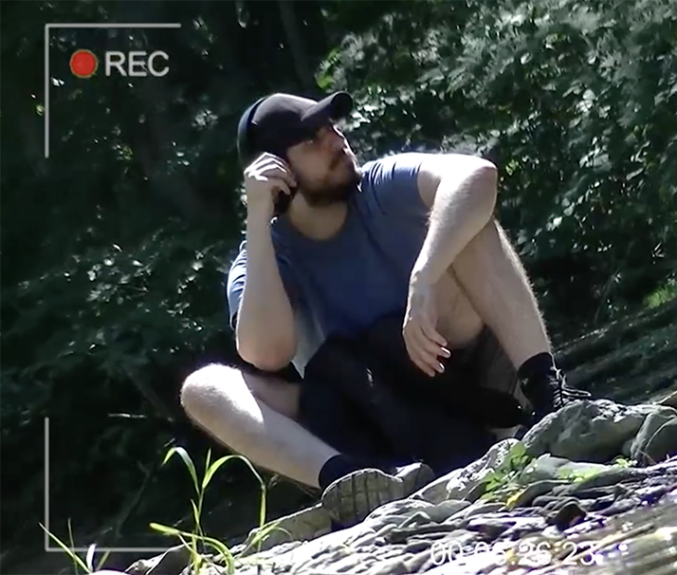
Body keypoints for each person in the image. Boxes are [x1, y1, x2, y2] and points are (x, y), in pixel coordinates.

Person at [178, 91, 591, 527]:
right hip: (367, 421)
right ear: (278, 174)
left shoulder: (381, 184)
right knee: (203, 388)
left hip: (467, 380)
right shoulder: (261, 258)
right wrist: (259, 221)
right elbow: (267, 353)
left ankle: (549, 395)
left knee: (468, 215)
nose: (337, 142)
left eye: (333, 129)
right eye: (312, 141)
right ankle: (349, 480)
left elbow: (477, 175)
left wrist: (426, 274)